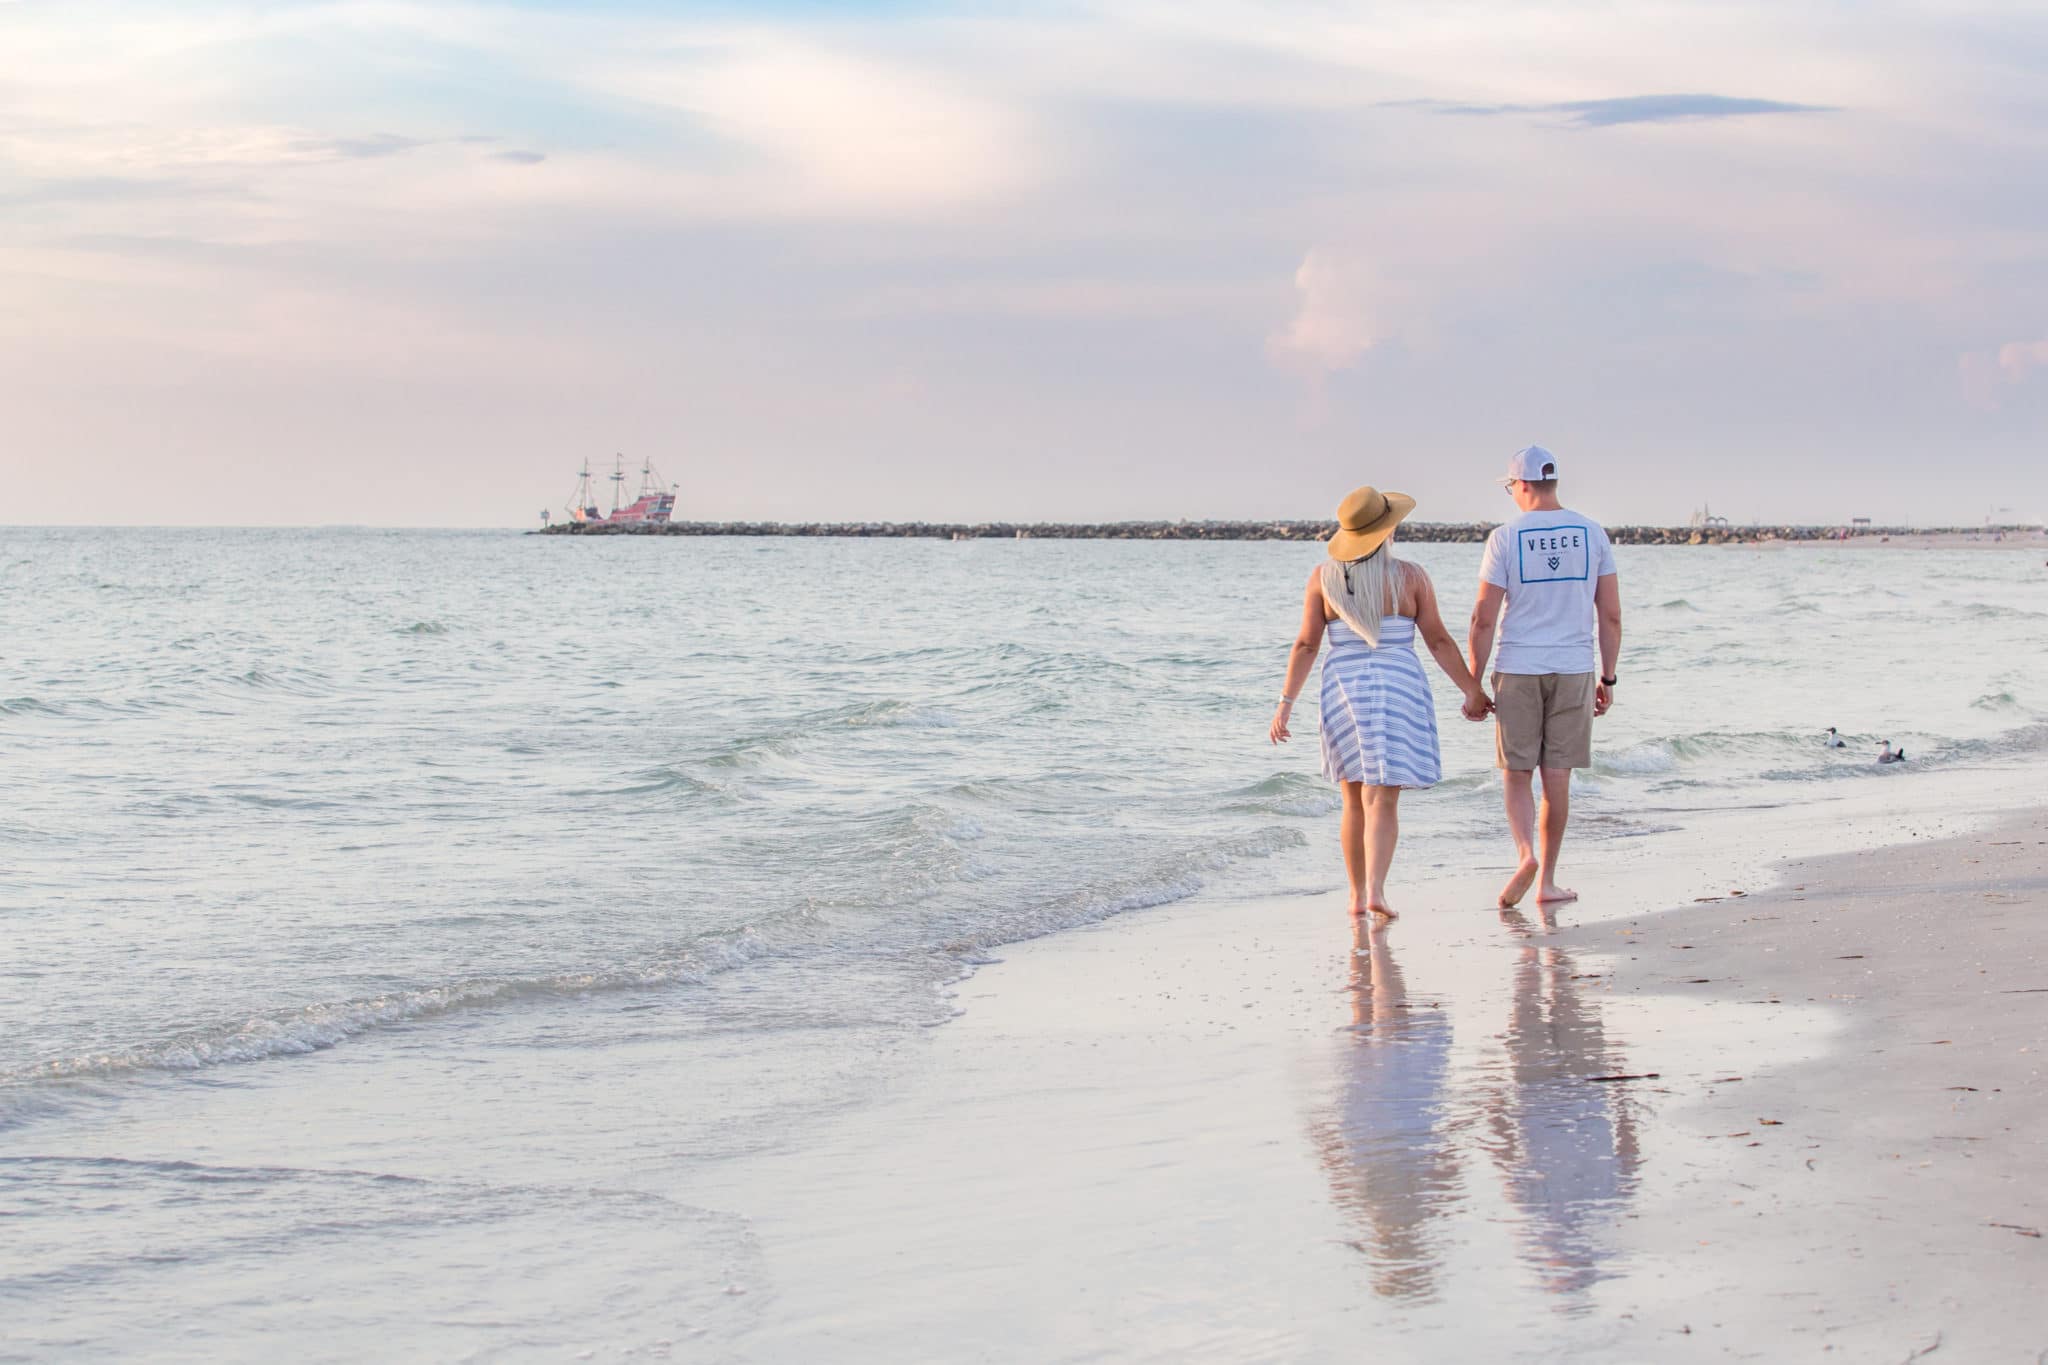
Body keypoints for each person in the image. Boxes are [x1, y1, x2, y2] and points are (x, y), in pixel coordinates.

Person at [1271, 485, 1491, 917]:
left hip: (1344, 688)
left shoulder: (1323, 578)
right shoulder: (1410, 577)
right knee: (1383, 799)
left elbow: (1305, 646)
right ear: (1388, 531)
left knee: (1351, 798)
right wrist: (1471, 689)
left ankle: (1356, 896)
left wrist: (1285, 703)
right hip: (1397, 685)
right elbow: (1439, 641)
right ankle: (1376, 890)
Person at [1467, 446, 1621, 908]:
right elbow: (1610, 615)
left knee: (1516, 774)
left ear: (1524, 485)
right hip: (1574, 667)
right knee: (1557, 777)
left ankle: (1525, 854)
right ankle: (1548, 882)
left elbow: (1483, 618)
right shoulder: (1592, 533)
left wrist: (1473, 683)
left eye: (1511, 486)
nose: (1512, 493)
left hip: (1518, 667)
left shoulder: (1505, 537)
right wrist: (1608, 679)